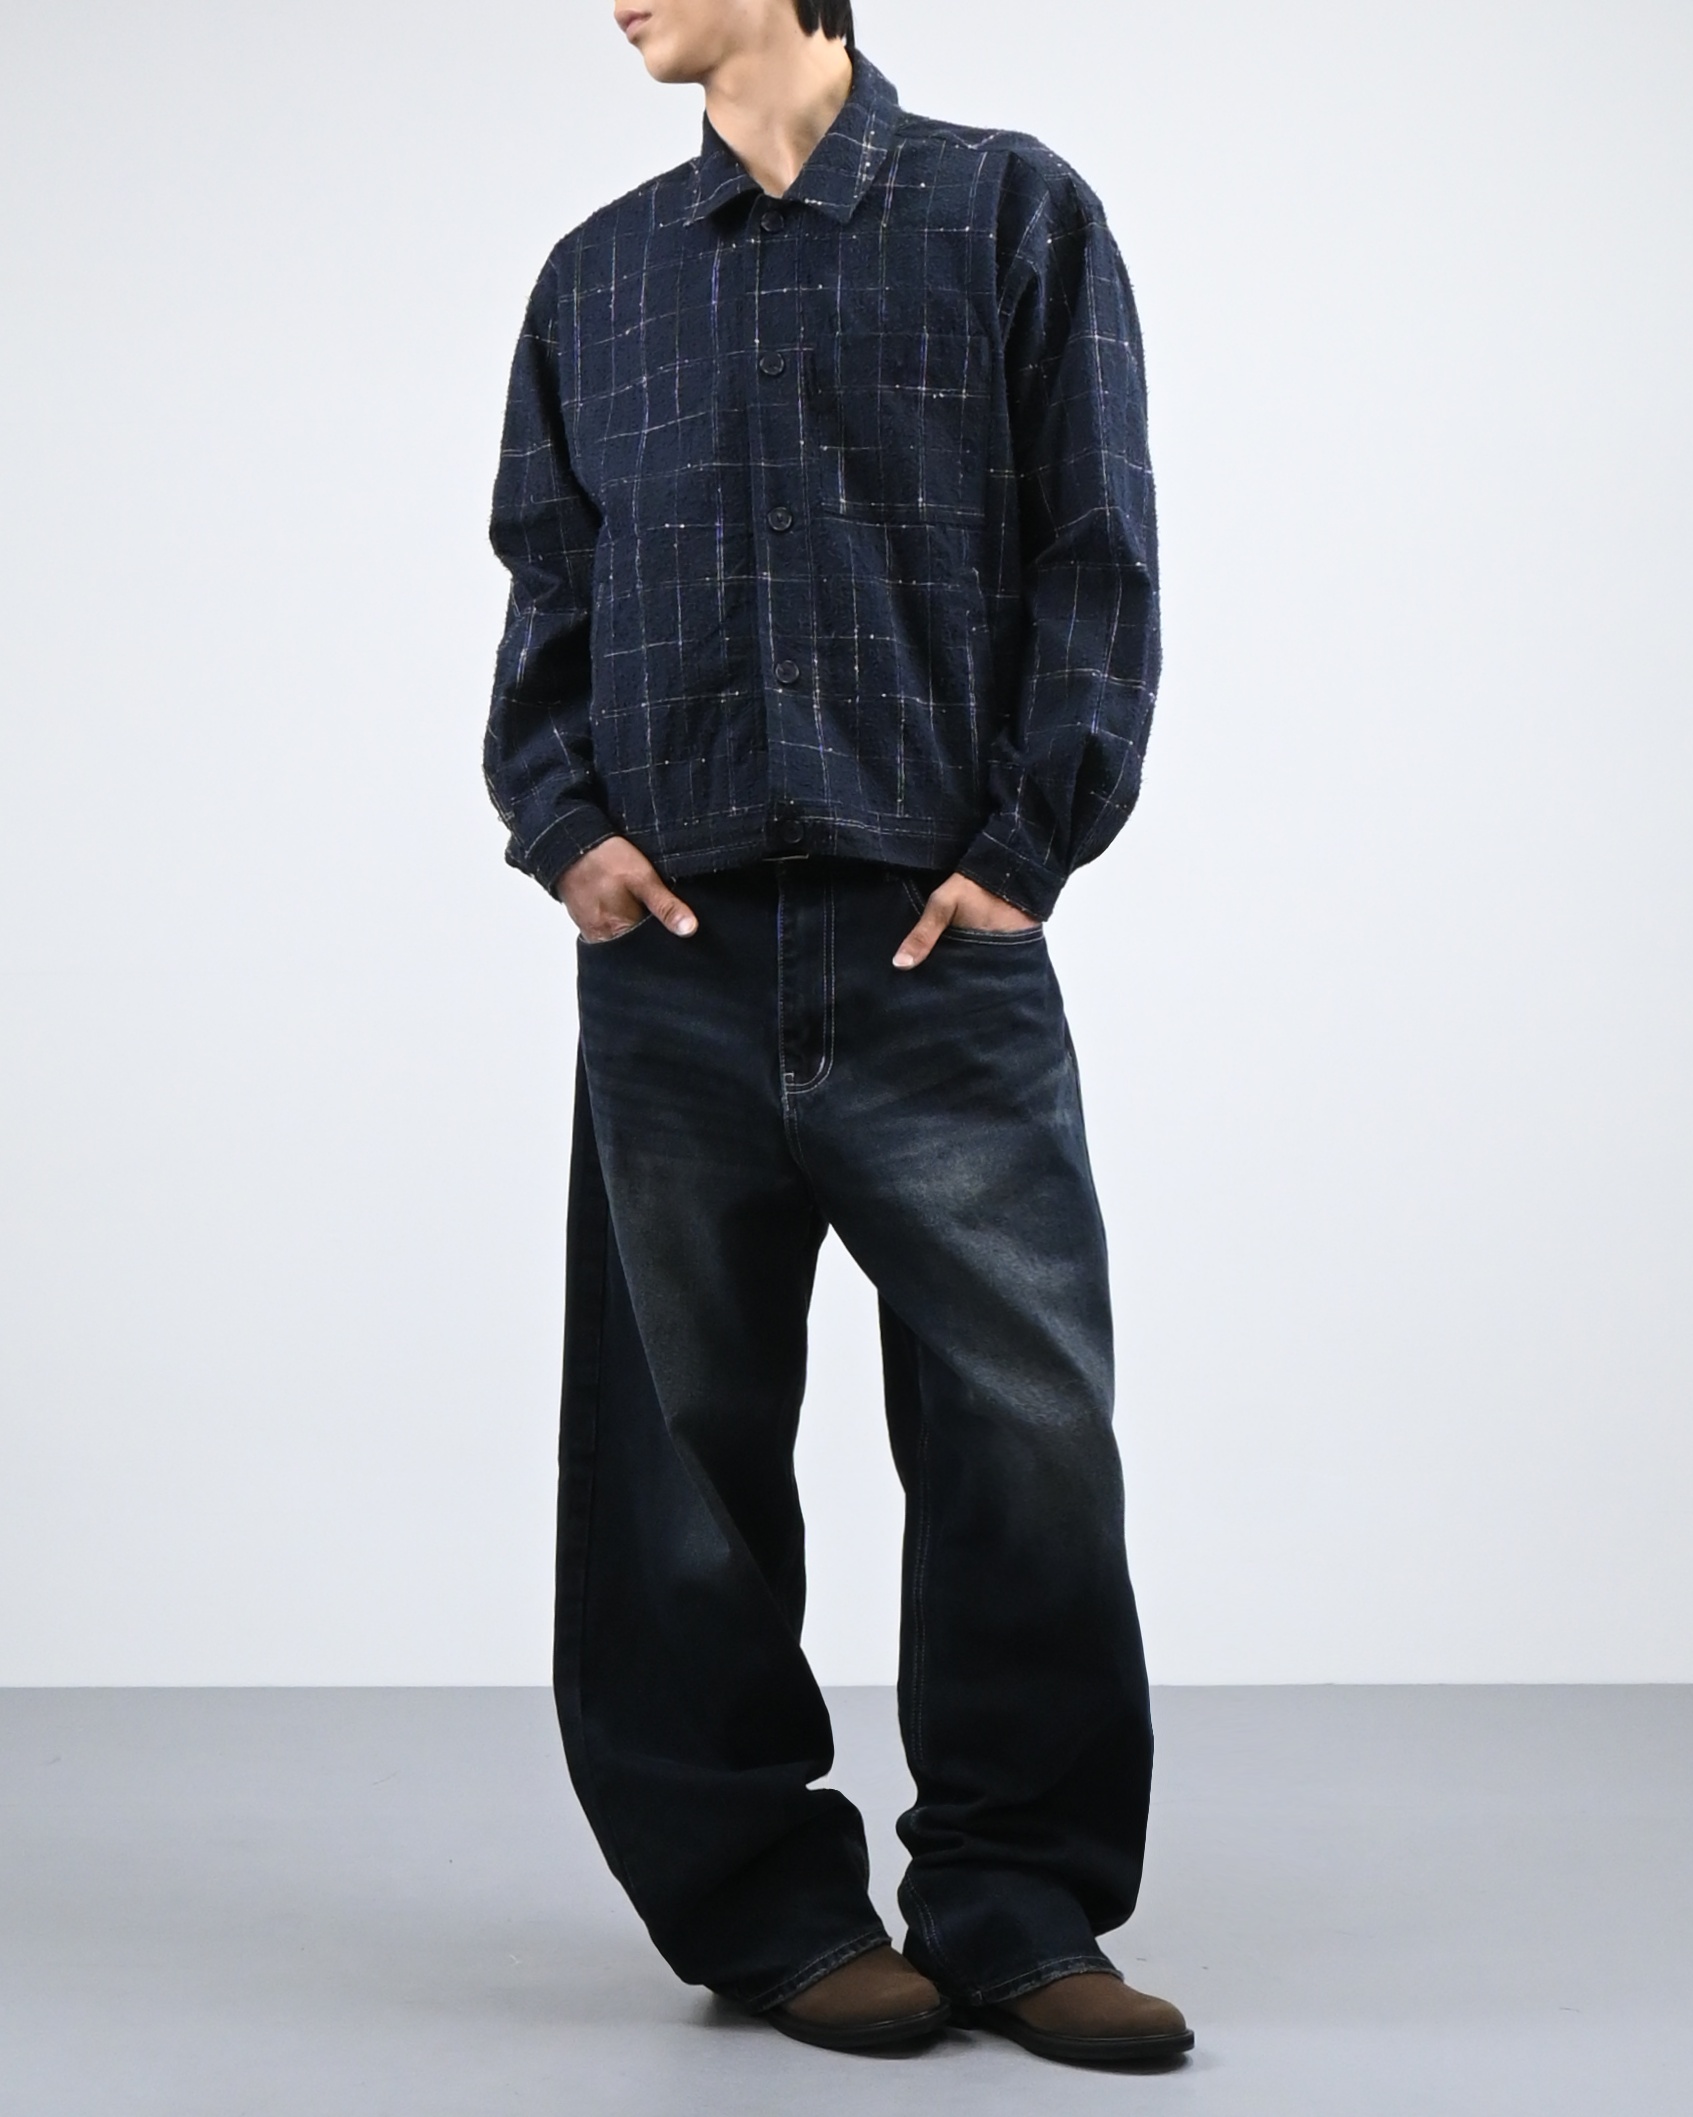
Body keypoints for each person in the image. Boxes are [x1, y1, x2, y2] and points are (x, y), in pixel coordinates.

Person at [483, 0, 1191, 2070]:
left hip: (929, 940)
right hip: (675, 961)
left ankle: (1016, 1903)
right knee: (675, 1461)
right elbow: (545, 591)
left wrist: (1027, 847)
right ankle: (764, 1914)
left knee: (1020, 1437)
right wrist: (566, 830)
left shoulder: (1007, 215)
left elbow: (1096, 551)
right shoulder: (600, 277)